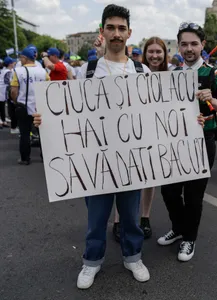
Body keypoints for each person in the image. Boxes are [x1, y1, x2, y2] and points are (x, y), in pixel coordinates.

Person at [34, 4, 153, 289]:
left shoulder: (142, 70)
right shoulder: (88, 71)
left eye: (121, 28)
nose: (116, 33)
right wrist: (46, 120)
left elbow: (155, 113)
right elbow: (69, 113)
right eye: (110, 28)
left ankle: (132, 255)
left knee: (130, 214)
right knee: (97, 217)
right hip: (96, 160)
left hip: (130, 159)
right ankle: (92, 262)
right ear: (103, 31)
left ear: (129, 33)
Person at [157, 22, 217, 262]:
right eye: (184, 44)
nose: (189, 48)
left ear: (203, 45)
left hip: (203, 141)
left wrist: (213, 101)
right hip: (175, 141)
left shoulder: (214, 74)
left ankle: (189, 238)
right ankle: (179, 227)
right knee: (169, 191)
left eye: (194, 43)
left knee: (193, 195)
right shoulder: (174, 74)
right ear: (178, 46)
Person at [140, 36, 170, 239]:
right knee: (129, 179)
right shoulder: (134, 73)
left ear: (164, 54)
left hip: (158, 134)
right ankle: (119, 220)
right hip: (134, 132)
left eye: (158, 51)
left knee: (150, 179)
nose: (154, 55)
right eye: (151, 51)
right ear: (145, 54)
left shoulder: (173, 78)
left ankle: (145, 217)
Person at [11, 48, 49, 165]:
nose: (20, 59)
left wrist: (16, 101)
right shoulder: (43, 71)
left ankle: (25, 158)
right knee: (43, 133)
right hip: (40, 108)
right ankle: (46, 157)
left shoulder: (17, 71)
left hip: (23, 107)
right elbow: (48, 88)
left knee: (25, 133)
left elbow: (13, 91)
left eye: (21, 57)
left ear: (25, 58)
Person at [0, 57, 15, 129]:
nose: (14, 63)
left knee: (2, 106)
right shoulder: (8, 72)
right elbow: (8, 82)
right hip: (2, 90)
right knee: (1, 106)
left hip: (2, 90)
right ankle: (2, 121)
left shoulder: (4, 70)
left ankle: (3, 121)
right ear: (10, 64)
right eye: (13, 62)